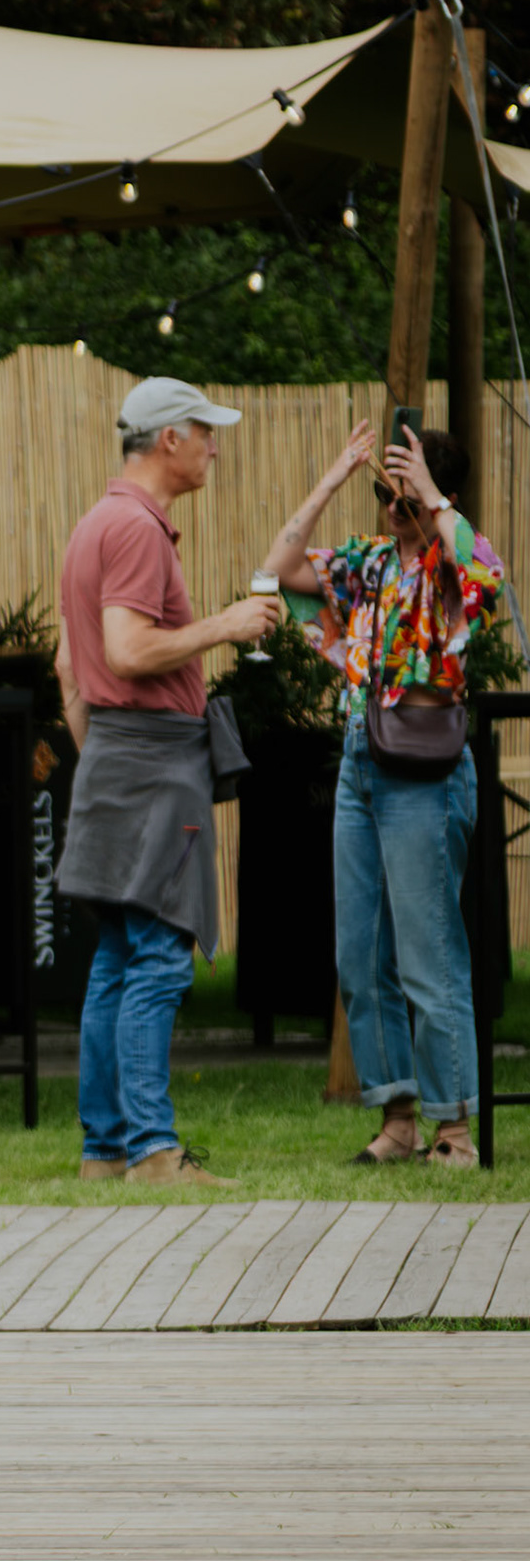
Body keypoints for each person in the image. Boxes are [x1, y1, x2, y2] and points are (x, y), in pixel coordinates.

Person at [54, 377, 278, 1188]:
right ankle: (152, 1150)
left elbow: (68, 670)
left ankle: (104, 1150)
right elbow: (123, 651)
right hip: (153, 762)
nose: (215, 446)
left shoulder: (94, 524)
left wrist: (101, 758)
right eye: (205, 432)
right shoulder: (138, 529)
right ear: (168, 439)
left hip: (117, 759)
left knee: (118, 953)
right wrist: (226, 624)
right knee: (158, 958)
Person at [264, 419, 500, 1167]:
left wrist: (429, 497)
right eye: (384, 494)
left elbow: (487, 581)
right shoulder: (366, 562)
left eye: (402, 497)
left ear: (437, 495)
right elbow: (276, 570)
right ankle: (398, 1118)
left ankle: (454, 1131)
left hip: (424, 769)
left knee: (429, 954)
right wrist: (333, 480)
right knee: (360, 952)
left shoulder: (448, 558)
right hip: (362, 759)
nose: (390, 508)